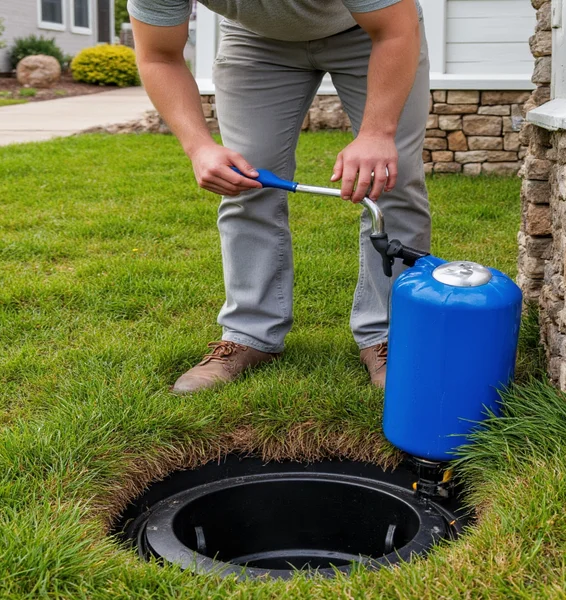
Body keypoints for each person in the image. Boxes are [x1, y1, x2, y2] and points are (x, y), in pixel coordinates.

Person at [128, 0, 431, 393]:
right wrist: (199, 147)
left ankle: (392, 337)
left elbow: (395, 30)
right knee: (246, 183)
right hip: (256, 42)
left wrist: (377, 133)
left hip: (372, 31)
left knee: (392, 180)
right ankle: (249, 335)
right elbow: (158, 55)